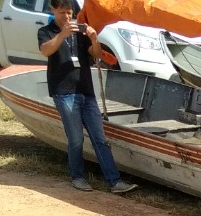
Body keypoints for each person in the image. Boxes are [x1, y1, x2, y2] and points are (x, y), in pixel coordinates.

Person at [38, 0, 136, 195]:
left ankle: (114, 181)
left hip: (86, 91)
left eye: (69, 13)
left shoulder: (80, 32)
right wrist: (62, 34)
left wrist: (93, 38)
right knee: (75, 139)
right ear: (53, 10)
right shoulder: (46, 31)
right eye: (62, 12)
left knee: (99, 138)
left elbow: (96, 55)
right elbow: (46, 50)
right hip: (64, 91)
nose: (67, 17)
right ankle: (78, 177)